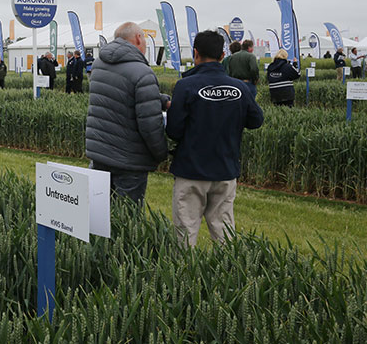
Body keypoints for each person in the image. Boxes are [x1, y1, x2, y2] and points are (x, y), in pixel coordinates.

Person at [165, 30, 264, 246]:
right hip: (225, 169)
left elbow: (173, 130)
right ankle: (228, 277)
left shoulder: (185, 86)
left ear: (195, 53)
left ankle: (183, 277)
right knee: (224, 235)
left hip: (190, 170)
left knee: (185, 234)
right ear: (222, 56)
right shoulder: (240, 88)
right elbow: (256, 121)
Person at [85, 22, 170, 205]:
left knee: (99, 216)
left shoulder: (99, 64)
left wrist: (158, 98)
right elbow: (150, 125)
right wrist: (161, 153)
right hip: (129, 160)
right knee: (127, 220)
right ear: (138, 38)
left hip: (99, 154)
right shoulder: (142, 72)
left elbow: (119, 94)